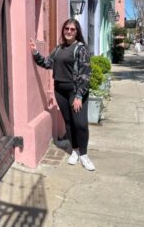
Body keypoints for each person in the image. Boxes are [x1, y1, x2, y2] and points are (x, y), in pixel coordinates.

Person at [29, 18, 95, 171]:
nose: (69, 31)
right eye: (67, 28)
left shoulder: (80, 49)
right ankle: (75, 150)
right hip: (60, 91)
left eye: (72, 29)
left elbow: (86, 74)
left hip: (75, 91)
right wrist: (35, 52)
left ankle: (84, 155)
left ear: (77, 32)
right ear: (63, 30)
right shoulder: (58, 49)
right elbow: (47, 63)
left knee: (80, 124)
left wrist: (79, 96)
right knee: (68, 123)